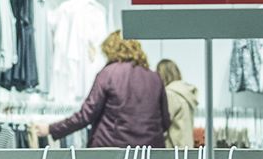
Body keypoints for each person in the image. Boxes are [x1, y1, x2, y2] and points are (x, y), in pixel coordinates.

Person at [34, 31, 169, 147]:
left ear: (111, 50)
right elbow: (165, 120)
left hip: (111, 149)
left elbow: (85, 115)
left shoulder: (108, 74)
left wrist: (51, 129)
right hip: (150, 150)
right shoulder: (155, 77)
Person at [158, 59, 199, 148]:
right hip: (187, 145)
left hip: (174, 148)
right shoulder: (186, 92)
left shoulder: (170, 94)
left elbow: (165, 122)